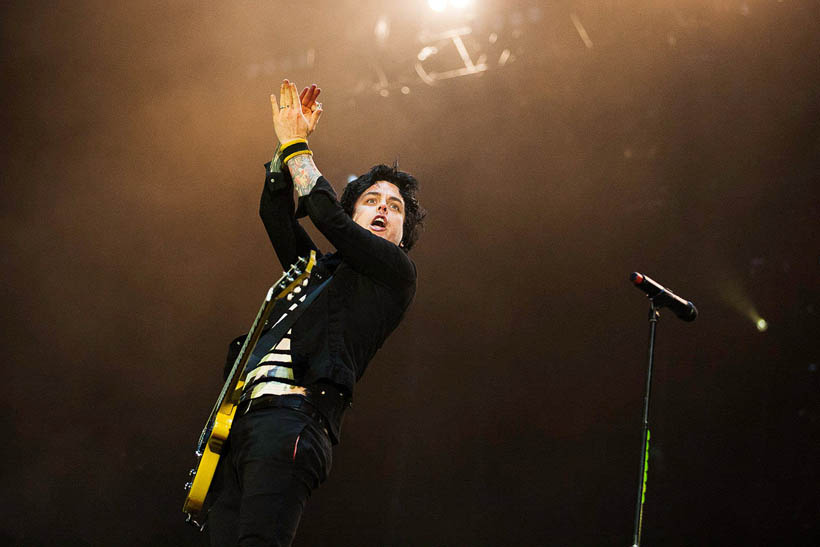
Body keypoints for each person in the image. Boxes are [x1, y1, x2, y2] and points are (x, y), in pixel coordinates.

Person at [204, 79, 426, 546]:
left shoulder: (395, 273)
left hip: (294, 418)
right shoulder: (319, 271)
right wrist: (282, 151)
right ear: (355, 213)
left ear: (404, 233)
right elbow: (277, 217)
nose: (383, 208)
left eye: (395, 206)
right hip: (238, 426)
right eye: (371, 200)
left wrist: (296, 145)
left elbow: (328, 219)